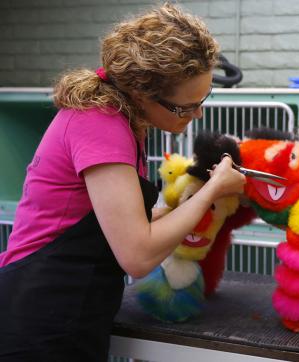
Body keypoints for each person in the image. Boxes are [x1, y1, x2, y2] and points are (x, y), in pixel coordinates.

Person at [0, 4, 245, 361]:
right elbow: (137, 255)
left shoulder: (117, 117)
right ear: (142, 92)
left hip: (68, 304)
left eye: (203, 100)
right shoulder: (100, 124)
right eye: (185, 107)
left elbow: (113, 223)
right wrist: (213, 189)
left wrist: (183, 207)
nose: (197, 114)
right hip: (43, 312)